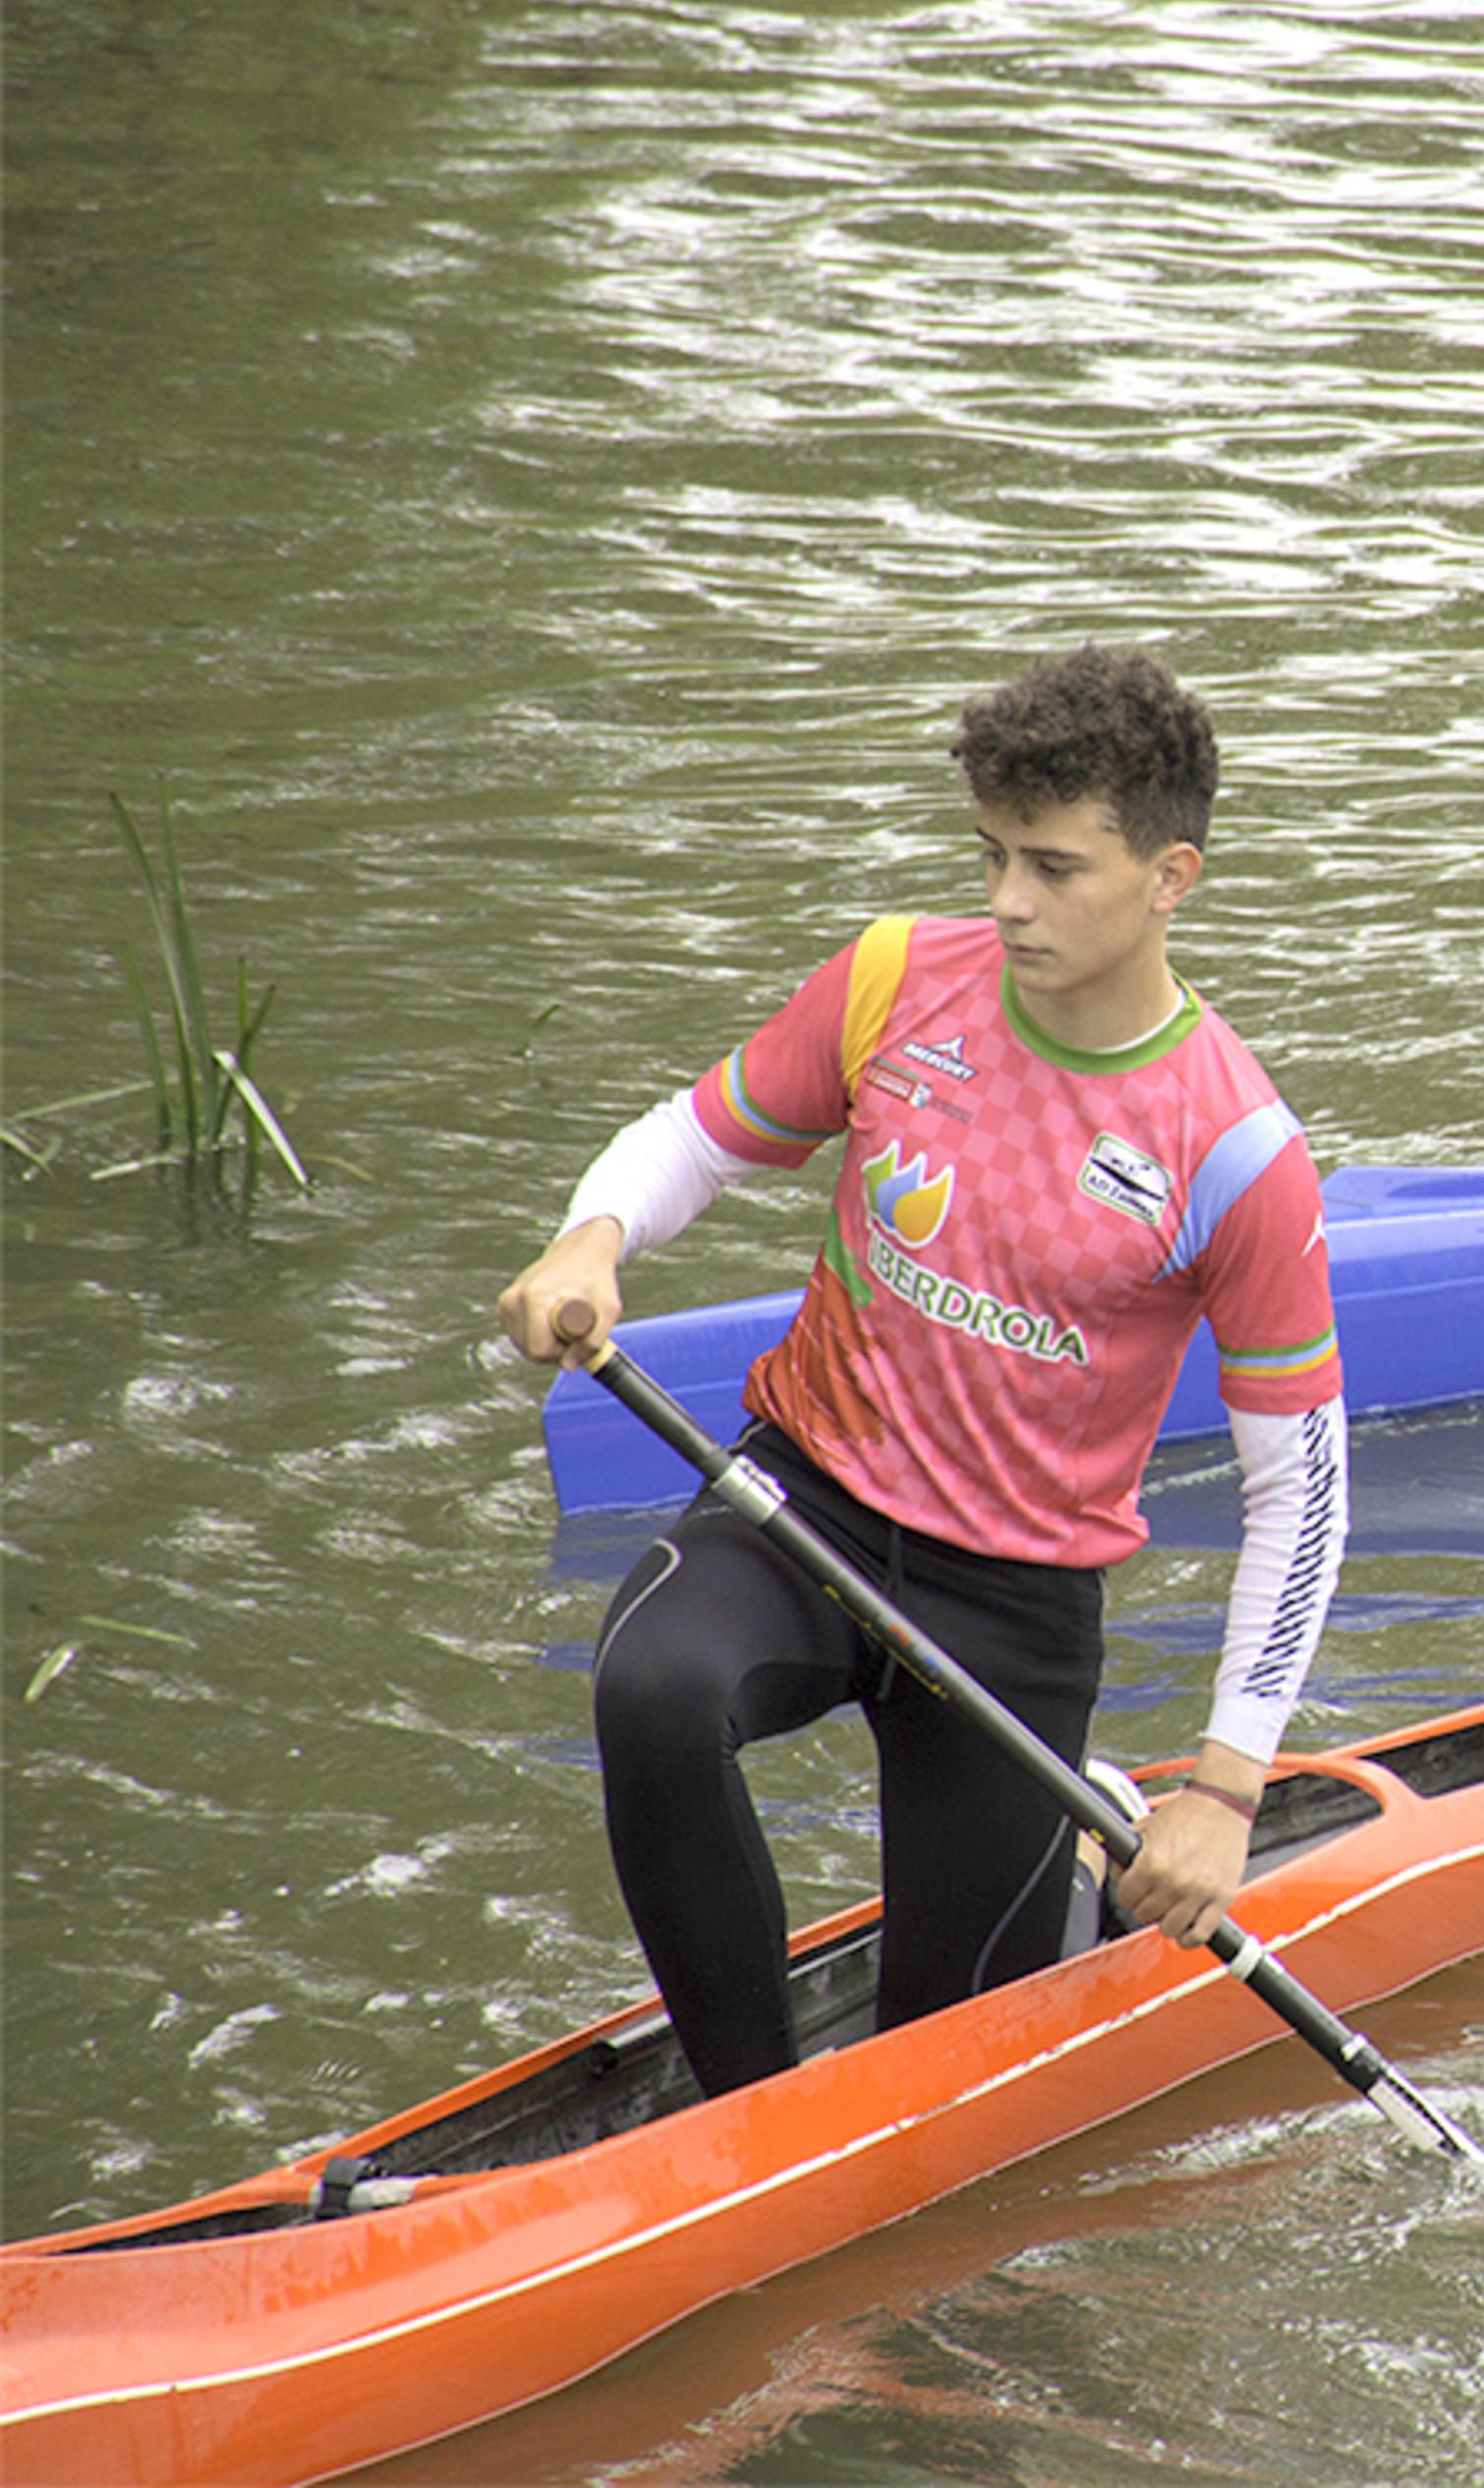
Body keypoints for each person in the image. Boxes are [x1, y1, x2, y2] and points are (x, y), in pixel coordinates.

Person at [495, 645, 1347, 2098]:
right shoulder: (896, 977)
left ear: (1170, 875)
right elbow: (697, 1136)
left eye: (1055, 866)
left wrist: (1223, 1790)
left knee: (946, 2063)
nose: (1008, 899)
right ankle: (747, 2117)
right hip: (803, 1512)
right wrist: (593, 1239)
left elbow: (1302, 1494)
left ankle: (1095, 1846)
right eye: (992, 854)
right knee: (649, 1685)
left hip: (1009, 1608)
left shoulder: (1235, 1149)